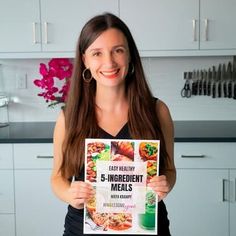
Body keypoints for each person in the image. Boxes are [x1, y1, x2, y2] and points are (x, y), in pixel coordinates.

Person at [51, 12, 176, 236]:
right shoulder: (68, 117)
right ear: (85, 60)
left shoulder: (157, 111)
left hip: (146, 227)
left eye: (118, 50)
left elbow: (169, 169)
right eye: (97, 53)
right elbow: (57, 177)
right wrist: (70, 193)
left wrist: (163, 185)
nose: (109, 62)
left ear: (130, 55)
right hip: (82, 227)